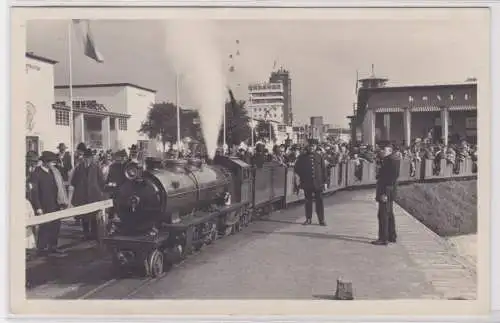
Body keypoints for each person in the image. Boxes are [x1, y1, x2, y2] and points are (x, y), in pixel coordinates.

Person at [28, 151, 69, 255]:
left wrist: (62, 202)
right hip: (44, 205)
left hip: (55, 204)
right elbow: (34, 193)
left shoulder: (53, 173)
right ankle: (41, 248)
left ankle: (53, 246)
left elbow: (59, 188)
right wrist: (38, 207)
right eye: (51, 162)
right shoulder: (36, 174)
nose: (53, 164)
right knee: (44, 227)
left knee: (56, 225)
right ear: (45, 162)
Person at [69, 148, 105, 240]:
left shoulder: (96, 167)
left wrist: (97, 190)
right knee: (84, 216)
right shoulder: (79, 167)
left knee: (93, 216)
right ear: (83, 157)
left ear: (92, 158)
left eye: (89, 157)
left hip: (93, 196)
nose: (87, 159)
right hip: (83, 196)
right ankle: (86, 234)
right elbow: (73, 181)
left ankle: (94, 234)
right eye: (85, 157)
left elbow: (101, 181)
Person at [293, 138, 327, 226]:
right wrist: (301, 179)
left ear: (316, 147)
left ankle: (321, 220)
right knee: (308, 201)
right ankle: (308, 219)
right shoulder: (302, 157)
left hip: (318, 183)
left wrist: (325, 182)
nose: (311, 148)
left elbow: (323, 170)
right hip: (307, 183)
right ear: (307, 147)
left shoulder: (319, 157)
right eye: (310, 146)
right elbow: (297, 169)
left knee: (319, 201)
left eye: (313, 146)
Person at [372, 144, 400, 246]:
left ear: (389, 151)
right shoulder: (393, 159)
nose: (381, 151)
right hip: (390, 191)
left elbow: (389, 178)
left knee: (383, 214)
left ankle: (383, 238)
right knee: (389, 213)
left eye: (383, 149)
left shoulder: (389, 161)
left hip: (386, 190)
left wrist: (384, 193)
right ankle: (392, 235)